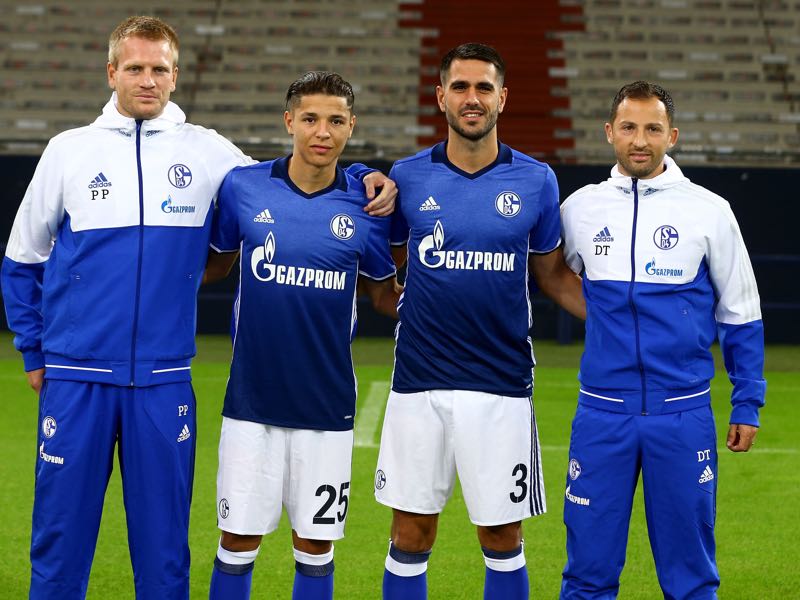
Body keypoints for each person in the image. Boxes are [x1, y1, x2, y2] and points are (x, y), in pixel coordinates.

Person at [0, 16, 395, 600]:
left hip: (162, 380)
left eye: (160, 69)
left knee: (164, 550)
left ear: (176, 76)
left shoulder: (210, 154)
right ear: (112, 72)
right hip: (76, 374)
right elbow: (21, 260)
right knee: (59, 540)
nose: (147, 80)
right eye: (134, 67)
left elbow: (291, 179)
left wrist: (362, 175)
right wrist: (34, 351)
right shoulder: (68, 152)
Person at [373, 43, 585, 600]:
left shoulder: (535, 180)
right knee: (410, 531)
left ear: (502, 98)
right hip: (419, 383)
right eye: (461, 87)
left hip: (501, 385)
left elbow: (556, 277)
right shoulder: (407, 177)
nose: (473, 98)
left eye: (484, 87)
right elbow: (382, 276)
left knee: (501, 532)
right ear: (440, 96)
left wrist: (631, 322)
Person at [558, 81, 765, 599]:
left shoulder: (709, 210)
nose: (640, 140)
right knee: (586, 574)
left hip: (683, 414)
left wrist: (748, 400)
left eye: (653, 128)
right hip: (602, 414)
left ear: (672, 135)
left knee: (692, 577)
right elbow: (549, 275)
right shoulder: (580, 209)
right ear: (610, 133)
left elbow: (740, 311)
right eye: (628, 127)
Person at [202, 70, 401, 600]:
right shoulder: (244, 188)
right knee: (237, 540)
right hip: (250, 402)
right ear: (289, 121)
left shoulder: (368, 208)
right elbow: (214, 265)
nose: (322, 131)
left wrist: (449, 298)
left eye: (336, 120)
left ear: (351, 126)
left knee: (315, 548)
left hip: (326, 406)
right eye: (310, 118)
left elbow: (384, 296)